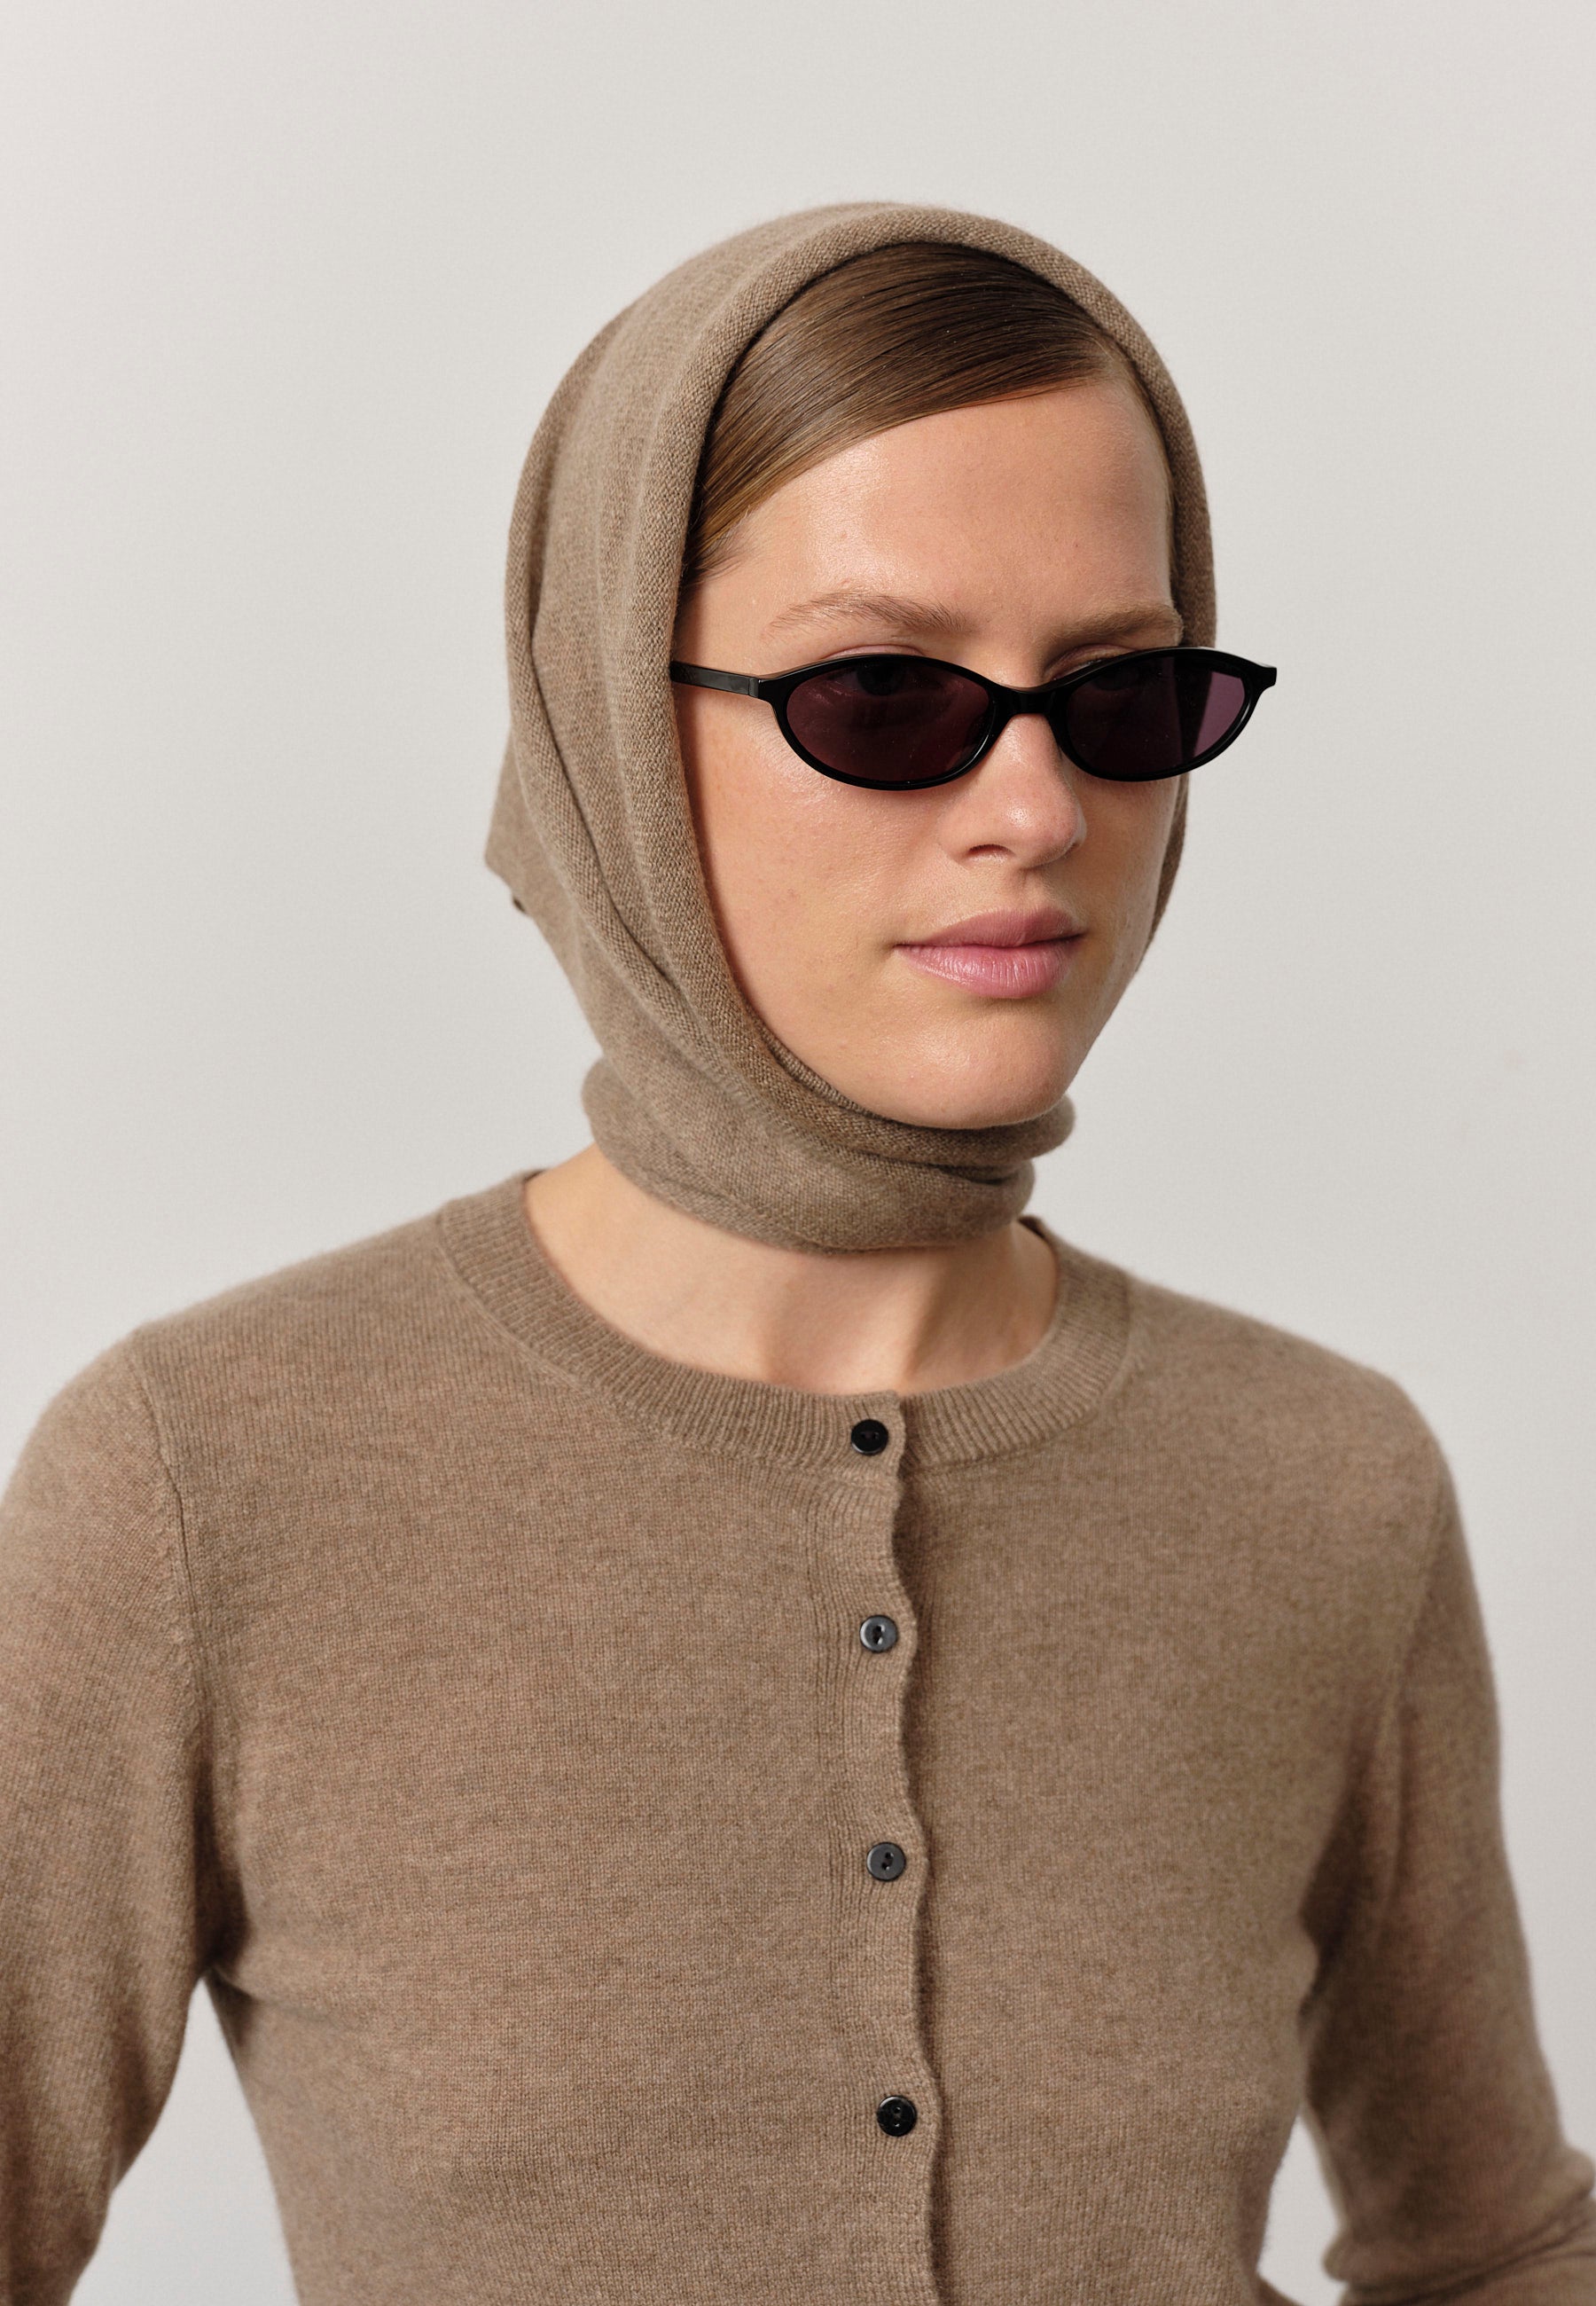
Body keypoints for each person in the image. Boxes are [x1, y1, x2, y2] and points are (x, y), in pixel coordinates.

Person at [1, 201, 1591, 2306]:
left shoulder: (1326, 1485)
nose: (1037, 810)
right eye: (885, 693)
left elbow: (1500, 2247)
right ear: (608, 720)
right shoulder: (206, 1479)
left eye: (1119, 693)